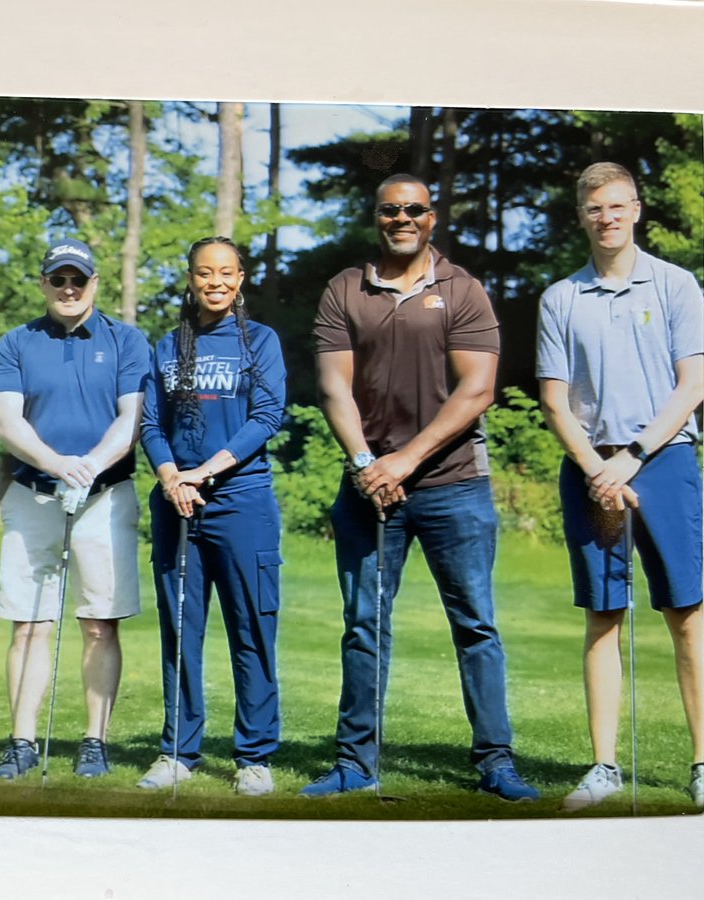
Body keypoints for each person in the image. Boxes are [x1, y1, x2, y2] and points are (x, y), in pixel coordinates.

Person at [303, 174, 539, 801]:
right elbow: (334, 388)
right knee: (363, 625)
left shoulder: (463, 290)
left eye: (414, 210)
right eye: (390, 210)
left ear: (432, 218)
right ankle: (356, 763)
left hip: (453, 485)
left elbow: (477, 390)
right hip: (368, 487)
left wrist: (402, 461)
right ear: (375, 217)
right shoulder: (344, 290)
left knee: (476, 625)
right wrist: (364, 464)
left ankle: (496, 762)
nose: (402, 218)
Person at [537, 162, 704, 811]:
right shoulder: (560, 298)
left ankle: (701, 762)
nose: (607, 218)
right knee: (604, 616)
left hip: (662, 460)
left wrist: (631, 458)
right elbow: (555, 401)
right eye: (594, 209)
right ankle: (604, 767)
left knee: (685, 614)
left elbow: (691, 385)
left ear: (636, 209)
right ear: (581, 215)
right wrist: (596, 468)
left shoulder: (674, 285)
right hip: (590, 467)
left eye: (617, 206)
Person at [0, 238, 149, 779]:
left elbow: (131, 420)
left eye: (79, 279)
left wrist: (91, 465)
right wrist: (59, 463)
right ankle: (23, 741)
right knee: (29, 624)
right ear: (44, 284)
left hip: (105, 496)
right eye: (59, 279)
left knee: (100, 622)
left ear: (96, 283)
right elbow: (4, 421)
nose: (69, 289)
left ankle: (94, 742)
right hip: (35, 495)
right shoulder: (17, 342)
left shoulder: (126, 341)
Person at [137, 237, 286, 797]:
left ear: (241, 278)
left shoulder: (260, 342)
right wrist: (173, 476)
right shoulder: (169, 344)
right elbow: (151, 424)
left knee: (252, 629)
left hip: (240, 500)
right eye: (205, 273)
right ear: (191, 278)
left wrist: (207, 473)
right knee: (181, 632)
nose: (215, 282)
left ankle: (254, 756)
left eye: (226, 272)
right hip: (177, 502)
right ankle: (178, 750)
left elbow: (267, 415)